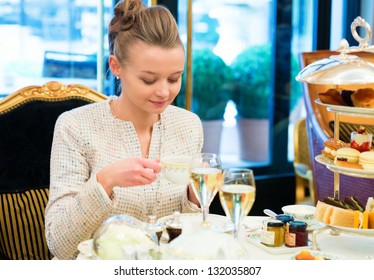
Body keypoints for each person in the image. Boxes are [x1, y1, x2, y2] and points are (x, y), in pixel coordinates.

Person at [45, 0, 203, 260]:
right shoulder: (74, 126)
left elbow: (187, 237)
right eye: (149, 79)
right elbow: (60, 245)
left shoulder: (189, 125)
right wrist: (105, 181)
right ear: (116, 67)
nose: (164, 92)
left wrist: (196, 198)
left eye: (174, 78)